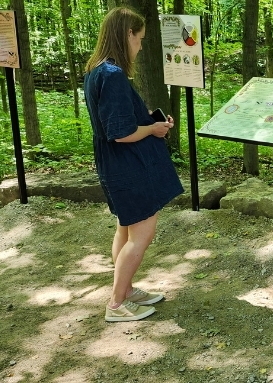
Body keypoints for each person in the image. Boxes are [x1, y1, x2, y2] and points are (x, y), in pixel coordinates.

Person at [83, 7, 184, 322]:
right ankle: (116, 304)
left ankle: (125, 289)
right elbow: (121, 132)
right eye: (139, 39)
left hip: (115, 163)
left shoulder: (96, 71)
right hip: (128, 164)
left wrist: (150, 122)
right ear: (127, 34)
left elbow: (119, 122)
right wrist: (153, 129)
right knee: (141, 234)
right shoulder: (111, 76)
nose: (140, 47)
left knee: (125, 228)